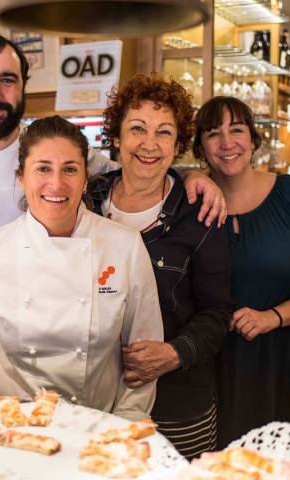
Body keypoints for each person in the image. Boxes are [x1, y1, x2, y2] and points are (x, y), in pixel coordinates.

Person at [0, 32, 226, 391]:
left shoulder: (51, 145)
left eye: (7, 79)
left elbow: (140, 164)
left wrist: (192, 176)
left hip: (37, 365)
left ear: (23, 85)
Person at [0, 116, 163, 420]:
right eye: (43, 169)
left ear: (86, 178)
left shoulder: (125, 247)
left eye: (70, 170)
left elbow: (145, 357)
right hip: (11, 426)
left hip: (96, 426)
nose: (56, 184)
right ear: (21, 177)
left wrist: (123, 429)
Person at [86, 74, 233, 457]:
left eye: (164, 132)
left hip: (178, 404)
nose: (149, 144)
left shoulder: (200, 214)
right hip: (94, 399)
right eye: (137, 128)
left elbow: (217, 312)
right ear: (116, 138)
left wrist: (174, 353)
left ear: (178, 145)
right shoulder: (86, 201)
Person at [192, 96, 290, 448]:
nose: (227, 143)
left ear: (253, 140)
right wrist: (187, 176)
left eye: (237, 130)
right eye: (213, 133)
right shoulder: (191, 205)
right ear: (200, 146)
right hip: (220, 368)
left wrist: (271, 318)